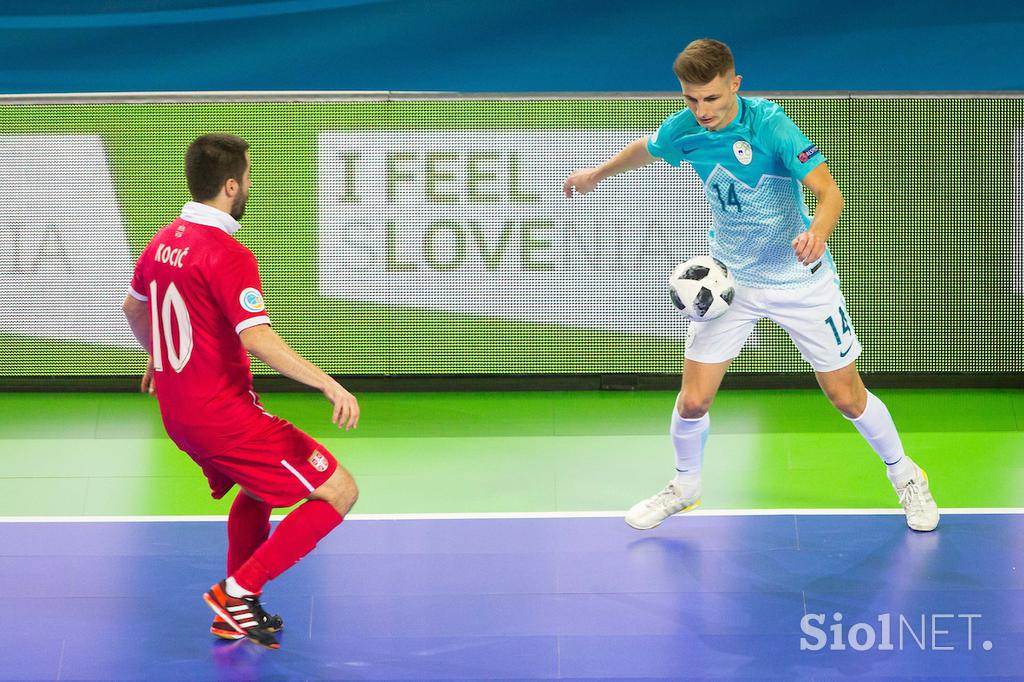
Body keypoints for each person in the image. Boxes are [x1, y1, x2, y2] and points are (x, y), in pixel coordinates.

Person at [563, 39, 938, 532]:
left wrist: (818, 234)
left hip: (800, 281)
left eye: (712, 98)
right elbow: (648, 149)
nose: (702, 111)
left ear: (734, 85)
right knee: (693, 400)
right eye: (691, 99)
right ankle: (685, 485)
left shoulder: (771, 126)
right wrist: (595, 174)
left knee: (846, 397)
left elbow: (829, 191)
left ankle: (907, 476)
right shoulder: (685, 129)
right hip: (729, 283)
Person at [122, 134, 361, 649]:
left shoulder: (163, 240)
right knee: (339, 491)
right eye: (248, 177)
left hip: (178, 413)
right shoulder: (227, 253)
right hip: (221, 416)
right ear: (231, 186)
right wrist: (326, 382)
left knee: (258, 489)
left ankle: (239, 609)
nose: (250, 185)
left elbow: (134, 309)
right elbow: (255, 337)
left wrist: (157, 359)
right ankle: (238, 591)